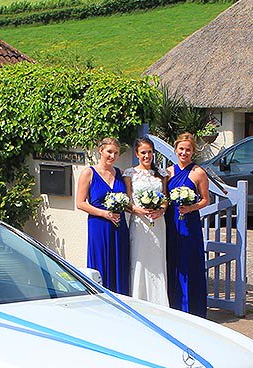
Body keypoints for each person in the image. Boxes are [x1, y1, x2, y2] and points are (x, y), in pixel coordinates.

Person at [76, 137, 129, 294]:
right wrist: (104, 213)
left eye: (116, 153)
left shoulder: (120, 173)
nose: (112, 156)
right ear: (101, 151)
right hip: (99, 225)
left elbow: (128, 201)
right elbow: (80, 203)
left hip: (119, 226)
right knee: (101, 263)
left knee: (119, 263)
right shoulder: (89, 173)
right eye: (109, 152)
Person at [167, 132, 210, 317]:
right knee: (172, 261)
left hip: (189, 223)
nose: (184, 153)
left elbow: (205, 200)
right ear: (176, 149)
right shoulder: (168, 172)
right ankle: (174, 304)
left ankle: (192, 307)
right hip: (171, 222)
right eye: (181, 149)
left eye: (188, 150)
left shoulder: (198, 172)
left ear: (193, 151)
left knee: (189, 261)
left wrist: (191, 207)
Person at [123, 138, 169, 306]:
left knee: (157, 259)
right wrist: (137, 210)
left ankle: (159, 301)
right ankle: (138, 298)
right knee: (139, 258)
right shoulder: (129, 174)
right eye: (143, 152)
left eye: (150, 152)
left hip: (158, 222)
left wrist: (161, 210)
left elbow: (165, 198)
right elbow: (127, 201)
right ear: (137, 154)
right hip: (139, 222)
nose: (147, 156)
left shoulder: (161, 174)